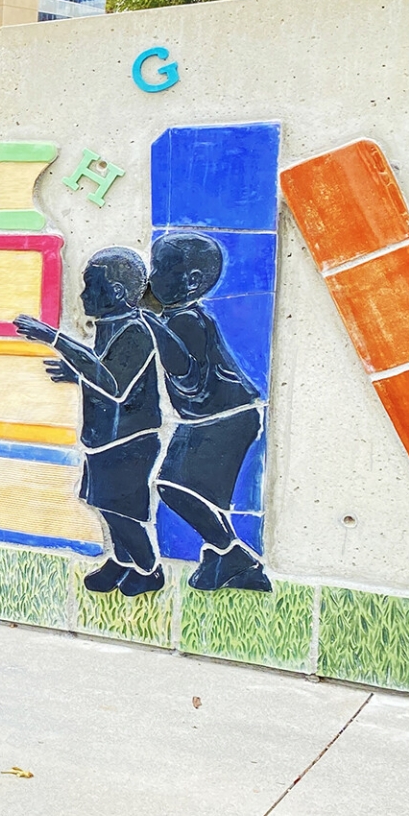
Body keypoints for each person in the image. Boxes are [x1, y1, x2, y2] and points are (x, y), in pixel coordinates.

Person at [15, 247, 165, 597]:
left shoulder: (135, 331)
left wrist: (55, 338)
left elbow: (115, 384)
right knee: (102, 501)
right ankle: (122, 559)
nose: (81, 295)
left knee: (122, 508)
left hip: (129, 440)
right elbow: (103, 372)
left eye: (88, 286)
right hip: (103, 437)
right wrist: (77, 375)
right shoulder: (111, 327)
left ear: (114, 293)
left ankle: (148, 568)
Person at [149, 231, 273, 592]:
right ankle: (232, 560)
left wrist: (153, 324)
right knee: (190, 491)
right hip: (208, 418)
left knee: (174, 486)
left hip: (226, 417)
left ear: (190, 282)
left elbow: (188, 376)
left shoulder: (187, 320)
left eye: (159, 268)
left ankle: (230, 553)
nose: (150, 277)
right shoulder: (175, 317)